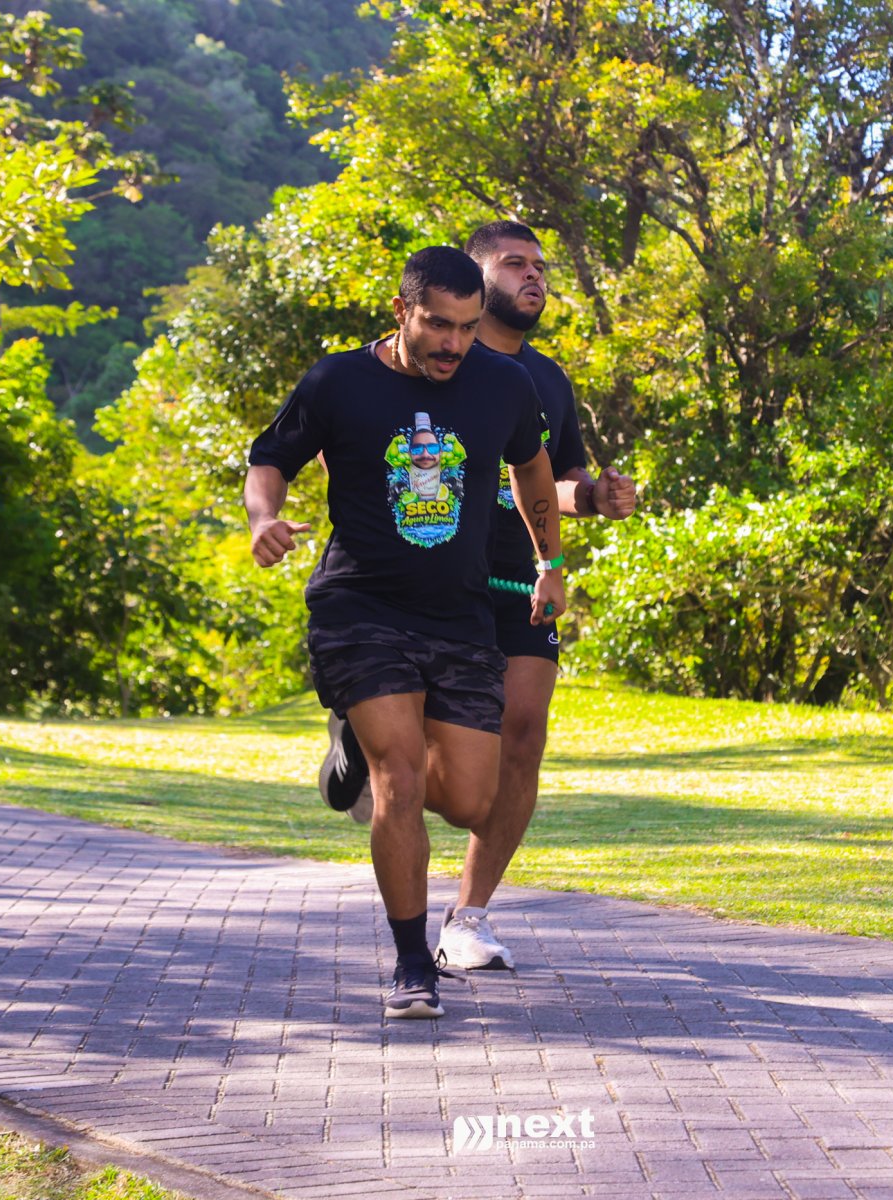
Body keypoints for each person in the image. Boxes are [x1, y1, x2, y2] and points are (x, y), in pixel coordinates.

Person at [245, 245, 566, 1020]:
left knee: (469, 801)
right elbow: (270, 458)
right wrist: (263, 519)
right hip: (361, 607)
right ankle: (412, 963)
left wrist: (549, 563)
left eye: (466, 327)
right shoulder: (338, 381)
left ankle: (356, 745)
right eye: (438, 326)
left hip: (460, 615)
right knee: (401, 780)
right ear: (402, 312)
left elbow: (532, 468)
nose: (454, 344)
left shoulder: (503, 383)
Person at [434, 220, 639, 970]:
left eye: (540, 267)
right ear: (475, 277)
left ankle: (468, 918)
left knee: (523, 736)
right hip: (434, 578)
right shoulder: (437, 358)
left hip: (522, 578)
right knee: (435, 751)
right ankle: (366, 747)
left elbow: (558, 481)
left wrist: (597, 497)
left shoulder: (548, 380)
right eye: (514, 263)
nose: (533, 277)